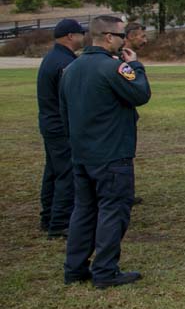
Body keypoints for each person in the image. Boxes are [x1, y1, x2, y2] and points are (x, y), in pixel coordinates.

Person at [59, 15, 151, 288]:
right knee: (114, 211)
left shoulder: (72, 69)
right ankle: (105, 271)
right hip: (111, 154)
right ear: (109, 37)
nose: (125, 41)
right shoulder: (112, 68)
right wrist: (134, 64)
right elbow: (140, 94)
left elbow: (65, 114)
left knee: (84, 211)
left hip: (83, 154)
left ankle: (74, 268)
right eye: (123, 36)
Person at [37, 18, 86, 238]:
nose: (83, 38)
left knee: (53, 172)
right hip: (60, 126)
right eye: (80, 34)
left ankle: (48, 217)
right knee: (66, 172)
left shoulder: (52, 57)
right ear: (70, 36)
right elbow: (71, 97)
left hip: (49, 123)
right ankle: (60, 223)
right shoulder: (64, 63)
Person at [124, 22, 149, 206]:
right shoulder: (121, 60)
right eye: (142, 36)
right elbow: (139, 91)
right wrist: (136, 66)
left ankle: (126, 192)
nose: (145, 40)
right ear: (131, 36)